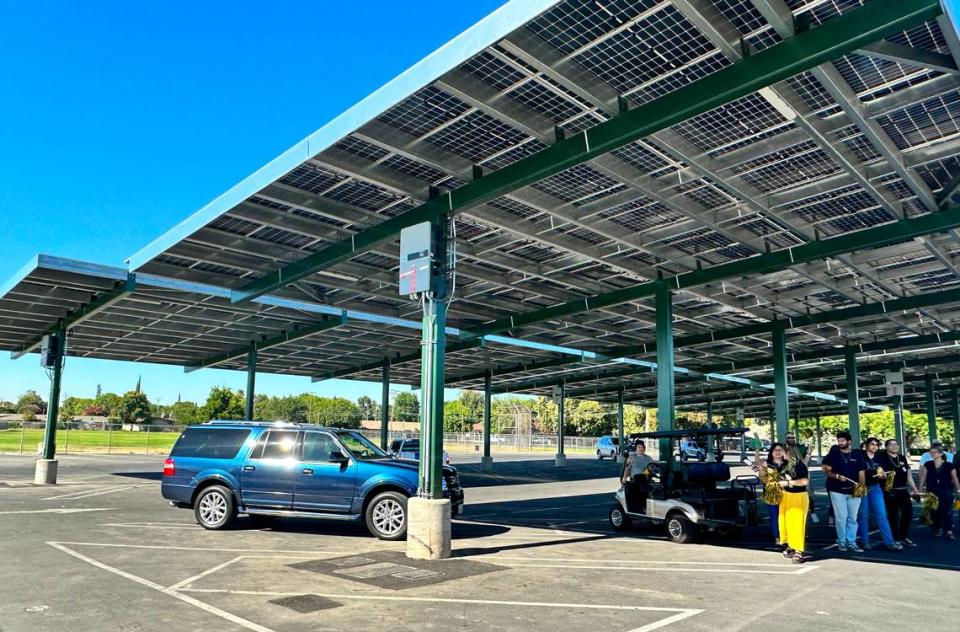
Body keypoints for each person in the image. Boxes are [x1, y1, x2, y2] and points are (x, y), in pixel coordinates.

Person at [758, 442, 810, 563]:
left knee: (796, 525)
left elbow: (804, 481)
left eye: (784, 452)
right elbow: (767, 477)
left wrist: (788, 483)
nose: (781, 454)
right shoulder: (785, 466)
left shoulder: (800, 465)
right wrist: (762, 469)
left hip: (798, 496)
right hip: (785, 496)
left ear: (791, 453)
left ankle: (799, 551)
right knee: (785, 524)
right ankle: (791, 546)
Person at [821, 430, 867, 552]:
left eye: (842, 440)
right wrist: (836, 476)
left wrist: (861, 487)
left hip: (854, 491)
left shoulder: (857, 456)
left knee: (852, 518)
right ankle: (841, 541)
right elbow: (826, 470)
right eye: (839, 441)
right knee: (841, 517)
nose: (840, 443)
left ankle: (851, 541)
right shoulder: (833, 455)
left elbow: (861, 473)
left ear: (849, 442)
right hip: (837, 490)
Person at [856, 437, 903, 550]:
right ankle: (865, 541)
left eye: (876, 444)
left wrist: (883, 475)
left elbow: (885, 474)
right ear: (866, 445)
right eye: (872, 444)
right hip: (862, 486)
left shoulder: (880, 457)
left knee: (882, 515)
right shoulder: (860, 455)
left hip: (875, 487)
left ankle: (889, 542)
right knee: (863, 515)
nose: (874, 446)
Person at [877, 438, 919, 547]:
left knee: (908, 514)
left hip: (903, 490)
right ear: (886, 447)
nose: (894, 446)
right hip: (890, 491)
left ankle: (903, 536)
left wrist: (914, 489)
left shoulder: (902, 457)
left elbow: (908, 474)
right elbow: (880, 471)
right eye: (891, 444)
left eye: (896, 444)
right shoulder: (882, 458)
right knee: (893, 516)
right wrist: (882, 475)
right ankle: (895, 538)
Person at [918, 444, 960, 539]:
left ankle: (949, 531)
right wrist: (920, 491)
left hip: (946, 491)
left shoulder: (949, 465)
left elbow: (955, 478)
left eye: (934, 452)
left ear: (941, 453)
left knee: (947, 511)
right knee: (935, 511)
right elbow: (923, 477)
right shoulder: (928, 464)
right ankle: (938, 528)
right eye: (931, 452)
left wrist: (958, 490)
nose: (932, 454)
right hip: (932, 491)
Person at [785, 431, 818, 523]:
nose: (791, 439)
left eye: (792, 437)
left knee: (806, 492)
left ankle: (812, 511)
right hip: (788, 474)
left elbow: (806, 460)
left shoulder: (800, 448)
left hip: (802, 472)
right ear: (785, 439)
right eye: (789, 437)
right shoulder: (783, 448)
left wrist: (809, 453)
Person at [620, 440, 655, 513]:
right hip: (635, 480)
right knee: (642, 489)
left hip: (645, 479)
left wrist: (648, 471)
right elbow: (627, 468)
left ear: (644, 448)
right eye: (639, 447)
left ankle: (650, 508)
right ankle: (642, 508)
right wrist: (624, 479)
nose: (640, 449)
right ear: (636, 448)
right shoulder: (632, 457)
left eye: (642, 447)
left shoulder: (648, 458)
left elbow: (652, 467)